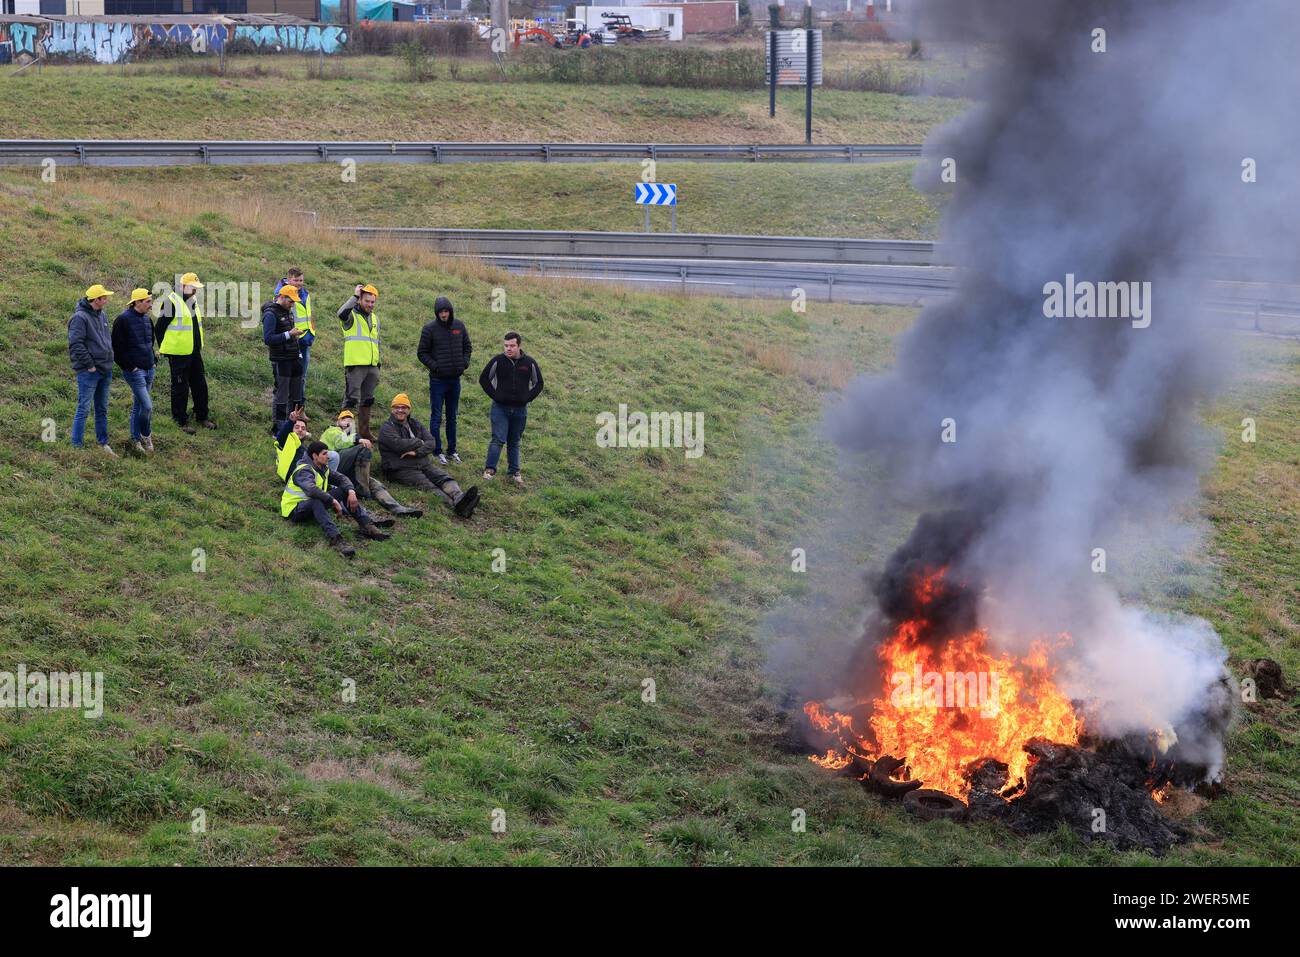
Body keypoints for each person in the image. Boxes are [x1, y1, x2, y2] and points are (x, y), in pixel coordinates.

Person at [281, 441, 395, 558]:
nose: (328, 456)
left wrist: (351, 491)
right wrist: (332, 500)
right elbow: (311, 490)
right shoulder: (304, 470)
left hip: (311, 505)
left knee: (343, 491)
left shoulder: (322, 468)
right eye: (325, 453)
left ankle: (366, 525)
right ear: (315, 456)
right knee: (315, 502)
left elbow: (341, 478)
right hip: (294, 510)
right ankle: (336, 540)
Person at [377, 393, 480, 518]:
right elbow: (398, 445)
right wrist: (419, 442)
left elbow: (432, 442)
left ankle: (459, 498)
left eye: (404, 407)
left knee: (444, 477)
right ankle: (456, 506)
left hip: (422, 462)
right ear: (392, 409)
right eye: (397, 407)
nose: (400, 410)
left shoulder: (415, 424)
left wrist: (416, 452)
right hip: (400, 468)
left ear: (409, 410)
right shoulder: (386, 428)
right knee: (429, 486)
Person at [321, 409, 422, 517]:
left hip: (347, 471)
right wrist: (358, 439)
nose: (348, 422)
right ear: (337, 422)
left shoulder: (352, 436)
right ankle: (363, 493)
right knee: (363, 448)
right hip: (331, 470)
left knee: (374, 484)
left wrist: (357, 438)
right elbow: (340, 442)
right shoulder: (332, 431)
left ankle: (397, 508)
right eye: (344, 419)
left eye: (351, 420)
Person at [479, 331, 543, 486]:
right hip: (500, 408)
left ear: (519, 346)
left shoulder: (529, 363)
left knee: (514, 441)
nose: (508, 349)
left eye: (512, 346)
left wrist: (527, 398)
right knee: (498, 439)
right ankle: (489, 470)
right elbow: (483, 379)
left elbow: (539, 383)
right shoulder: (497, 361)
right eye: (506, 345)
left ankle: (514, 472)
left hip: (520, 410)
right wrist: (496, 396)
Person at [155, 271, 215, 434]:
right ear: (183, 286)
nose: (195, 290)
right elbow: (159, 329)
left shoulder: (191, 300)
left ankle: (201, 416)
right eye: (193, 287)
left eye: (197, 287)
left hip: (194, 352)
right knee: (180, 388)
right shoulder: (171, 302)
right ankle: (180, 421)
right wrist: (165, 349)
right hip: (178, 354)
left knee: (200, 385)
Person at [416, 295, 472, 465]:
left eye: (446, 311)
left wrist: (464, 363)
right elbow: (422, 353)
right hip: (438, 381)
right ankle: (437, 450)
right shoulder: (429, 329)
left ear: (450, 311)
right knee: (436, 416)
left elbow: (467, 347)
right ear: (437, 313)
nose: (444, 314)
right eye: (441, 312)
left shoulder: (459, 326)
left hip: (455, 380)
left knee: (452, 416)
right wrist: (436, 366)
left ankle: (452, 450)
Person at [68, 283, 116, 456]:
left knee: (102, 409)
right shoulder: (79, 318)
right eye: (104, 298)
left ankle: (103, 443)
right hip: (89, 372)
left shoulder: (102, 315)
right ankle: (76, 445)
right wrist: (89, 365)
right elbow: (76, 344)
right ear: (96, 300)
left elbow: (105, 340)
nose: (107, 300)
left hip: (105, 369)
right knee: (84, 408)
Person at [112, 288, 158, 455]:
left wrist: (153, 362)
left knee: (139, 404)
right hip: (135, 372)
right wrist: (131, 367)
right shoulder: (122, 320)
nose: (150, 305)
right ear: (137, 302)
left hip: (149, 369)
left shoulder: (147, 320)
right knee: (147, 406)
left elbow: (150, 343)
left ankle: (135, 439)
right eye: (147, 302)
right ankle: (146, 435)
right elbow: (116, 348)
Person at [338, 282, 382, 441]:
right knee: (351, 400)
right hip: (355, 366)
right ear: (359, 300)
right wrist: (355, 295)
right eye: (366, 301)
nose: (370, 304)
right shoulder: (350, 316)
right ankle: (346, 434)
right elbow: (341, 313)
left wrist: (378, 363)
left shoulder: (376, 318)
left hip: (372, 366)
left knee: (367, 400)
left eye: (372, 302)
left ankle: (364, 432)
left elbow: (377, 342)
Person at [263, 284, 305, 435]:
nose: (292, 304)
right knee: (281, 395)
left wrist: (298, 352)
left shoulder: (289, 312)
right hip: (281, 360)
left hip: (294, 358)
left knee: (296, 395)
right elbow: (268, 339)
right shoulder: (270, 314)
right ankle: (278, 429)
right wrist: (289, 334)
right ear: (282, 297)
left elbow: (290, 334)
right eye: (290, 301)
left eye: (294, 301)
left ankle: (293, 426)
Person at [275, 267, 314, 414]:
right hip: (291, 342)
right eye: (296, 280)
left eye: (301, 280)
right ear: (288, 279)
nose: (299, 283)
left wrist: (311, 333)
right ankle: (286, 413)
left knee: (301, 378)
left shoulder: (304, 293)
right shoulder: (282, 295)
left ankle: (298, 410)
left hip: (305, 341)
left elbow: (309, 315)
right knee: (287, 381)